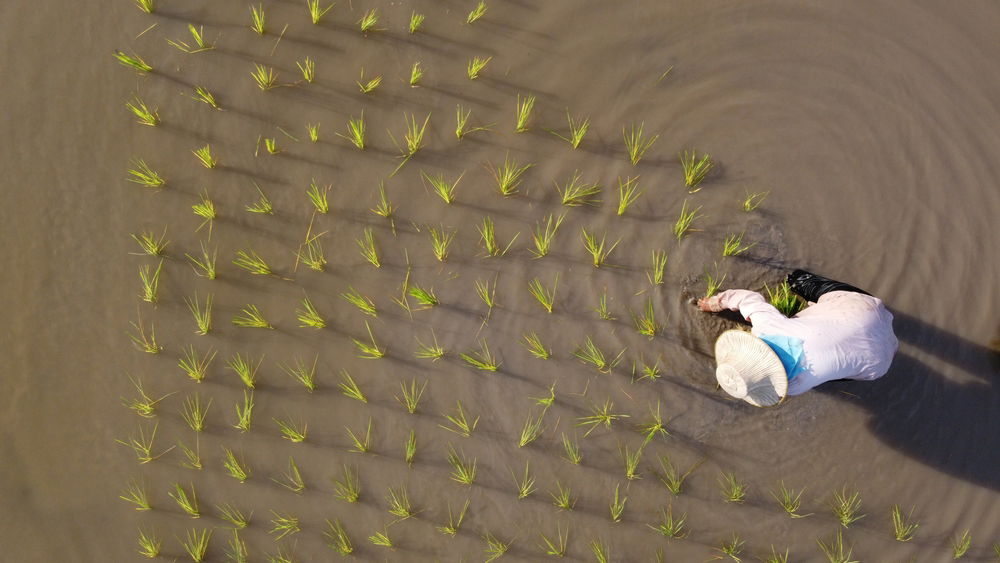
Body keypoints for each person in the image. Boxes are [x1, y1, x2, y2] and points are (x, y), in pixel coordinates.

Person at [696, 269, 898, 406]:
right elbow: (745, 298)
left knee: (836, 369)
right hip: (863, 310)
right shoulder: (768, 327)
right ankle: (798, 280)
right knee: (797, 279)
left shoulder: (795, 386)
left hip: (878, 363)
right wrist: (713, 303)